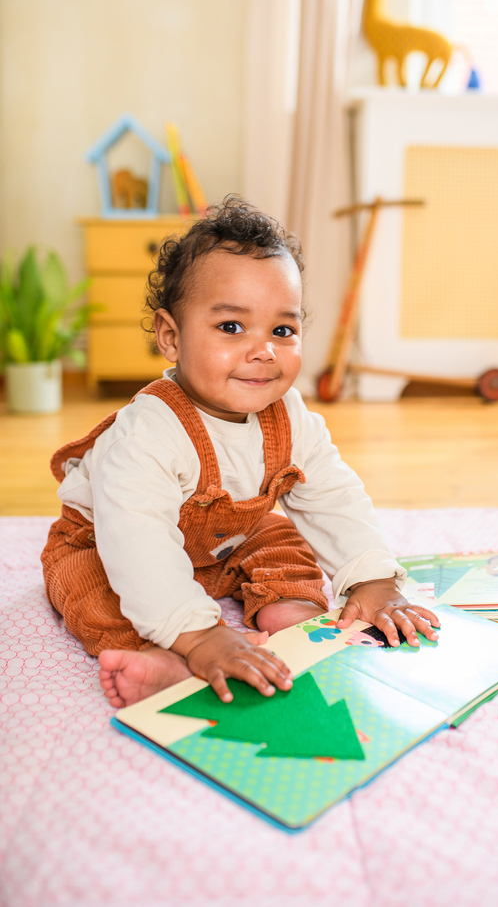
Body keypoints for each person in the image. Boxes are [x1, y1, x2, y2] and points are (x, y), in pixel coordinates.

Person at [42, 196, 439, 710]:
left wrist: (373, 578)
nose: (264, 350)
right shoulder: (147, 434)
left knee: (280, 536)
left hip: (224, 543)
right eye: (231, 327)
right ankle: (163, 656)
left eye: (283, 330)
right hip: (107, 539)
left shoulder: (290, 416)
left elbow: (333, 497)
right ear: (171, 337)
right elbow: (137, 541)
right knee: (89, 587)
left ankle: (290, 609)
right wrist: (200, 635)